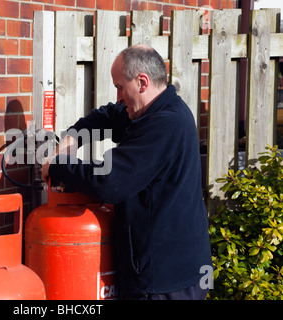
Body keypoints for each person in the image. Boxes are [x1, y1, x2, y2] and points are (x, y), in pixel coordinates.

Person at [41, 44, 213, 300]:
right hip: (168, 271)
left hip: (166, 281)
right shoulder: (150, 111)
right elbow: (108, 116)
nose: (119, 96)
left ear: (142, 82)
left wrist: (57, 166)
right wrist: (72, 138)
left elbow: (110, 181)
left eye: (120, 86)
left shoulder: (165, 124)